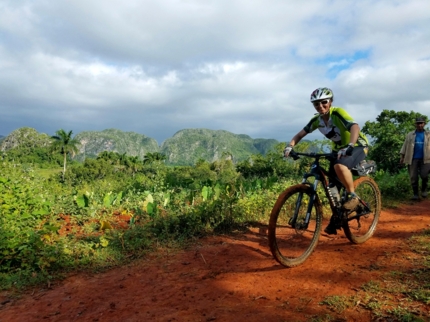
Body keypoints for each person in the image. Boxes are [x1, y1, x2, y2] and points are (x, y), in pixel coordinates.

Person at [284, 87, 369, 235]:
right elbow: (300, 134)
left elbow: (354, 127)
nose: (320, 106)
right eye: (316, 104)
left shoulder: (337, 113)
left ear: (330, 102)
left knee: (340, 165)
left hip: (357, 145)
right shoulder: (317, 120)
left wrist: (350, 145)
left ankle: (353, 196)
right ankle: (337, 218)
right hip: (338, 150)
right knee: (332, 187)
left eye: (324, 102)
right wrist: (290, 146)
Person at [399, 116, 430, 200]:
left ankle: (424, 190)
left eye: (421, 123)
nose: (420, 125)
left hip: (426, 159)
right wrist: (402, 157)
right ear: (415, 124)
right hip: (413, 159)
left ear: (424, 124)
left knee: (424, 175)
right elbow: (405, 146)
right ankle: (415, 194)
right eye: (418, 123)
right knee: (413, 177)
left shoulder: (428, 134)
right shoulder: (410, 135)